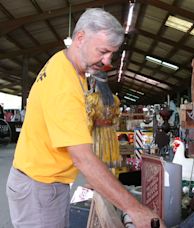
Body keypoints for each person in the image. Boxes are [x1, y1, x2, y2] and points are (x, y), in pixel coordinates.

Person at [6, 8, 164, 228]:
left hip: (47, 180)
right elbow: (82, 157)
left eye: (112, 54)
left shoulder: (66, 65)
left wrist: (97, 180)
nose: (107, 60)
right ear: (80, 38)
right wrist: (135, 209)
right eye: (103, 51)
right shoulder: (65, 84)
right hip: (39, 185)